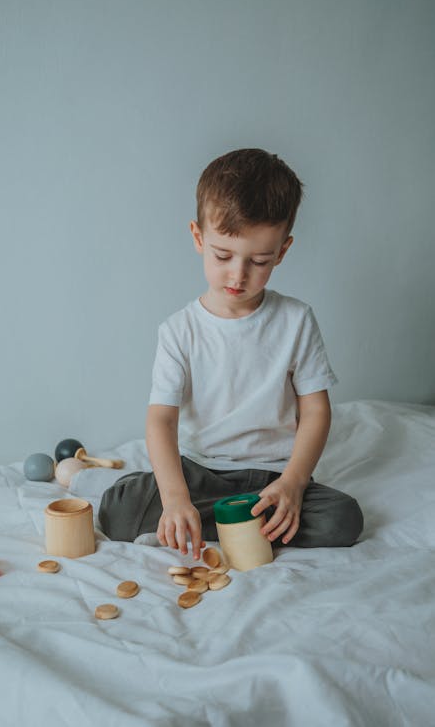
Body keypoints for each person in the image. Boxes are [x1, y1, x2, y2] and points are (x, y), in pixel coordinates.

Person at [99, 148, 363, 560]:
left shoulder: (296, 320)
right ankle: (218, 523)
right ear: (198, 237)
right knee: (118, 511)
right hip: (199, 471)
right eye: (223, 256)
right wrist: (174, 498)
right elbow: (161, 419)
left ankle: (224, 523)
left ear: (282, 251)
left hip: (271, 479)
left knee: (344, 519)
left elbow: (315, 411)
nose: (238, 275)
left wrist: (293, 483)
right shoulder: (179, 331)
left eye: (259, 261)